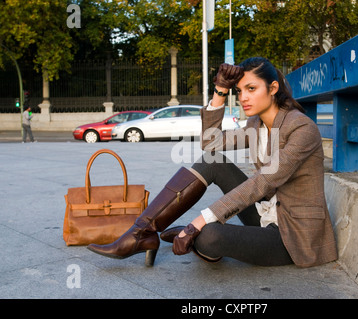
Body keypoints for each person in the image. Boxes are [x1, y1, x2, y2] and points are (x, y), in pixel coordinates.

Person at [87, 57, 338, 268]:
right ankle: (141, 233)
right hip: (265, 213)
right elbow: (211, 144)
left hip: (292, 235)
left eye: (252, 89)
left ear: (273, 88)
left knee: (210, 235)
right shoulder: (256, 125)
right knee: (213, 160)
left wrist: (200, 221)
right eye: (240, 91)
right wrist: (220, 91)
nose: (243, 97)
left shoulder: (302, 128)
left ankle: (192, 233)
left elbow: (264, 182)